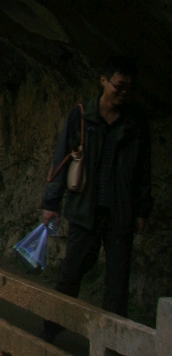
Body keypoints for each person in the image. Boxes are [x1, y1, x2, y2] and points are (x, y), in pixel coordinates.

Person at [41, 56, 151, 335]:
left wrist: (142, 210)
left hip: (120, 213)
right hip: (84, 210)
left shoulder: (136, 122)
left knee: (117, 285)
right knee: (71, 275)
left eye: (129, 88)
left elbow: (143, 170)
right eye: (119, 86)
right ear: (103, 81)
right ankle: (50, 334)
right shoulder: (81, 116)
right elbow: (61, 160)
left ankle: (113, 347)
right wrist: (51, 203)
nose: (124, 93)